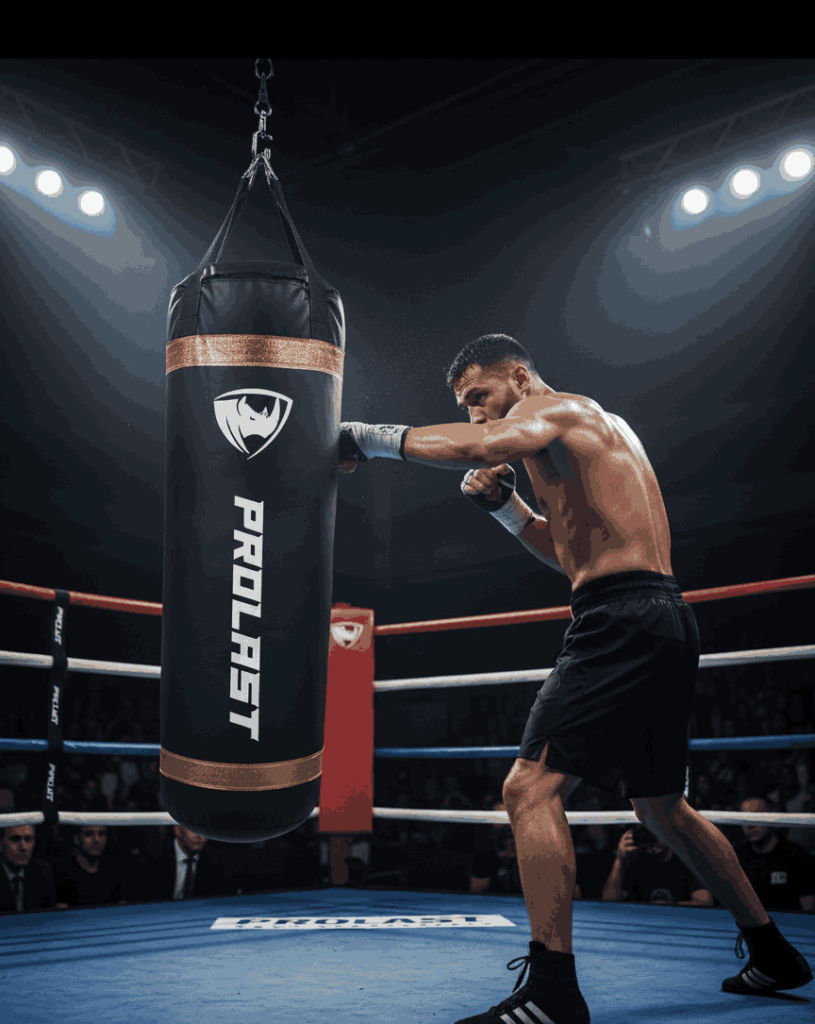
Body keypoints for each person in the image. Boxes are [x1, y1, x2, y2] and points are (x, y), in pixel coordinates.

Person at [338, 333, 813, 1022]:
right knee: (660, 809)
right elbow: (573, 557)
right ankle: (771, 952)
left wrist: (365, 436)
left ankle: (553, 992)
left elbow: (479, 448)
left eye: (480, 396)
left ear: (520, 378)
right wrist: (506, 512)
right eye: (464, 404)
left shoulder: (562, 410)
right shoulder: (572, 440)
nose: (475, 414)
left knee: (527, 789)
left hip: (620, 620)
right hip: (654, 615)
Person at [601, 824, 714, 907]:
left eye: (655, 836)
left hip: (678, 919)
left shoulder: (685, 858)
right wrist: (619, 858)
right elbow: (609, 899)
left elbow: (705, 902)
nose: (651, 846)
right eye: (647, 837)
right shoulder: (637, 858)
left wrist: (670, 905)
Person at [734, 797, 815, 912]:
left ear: (772, 817)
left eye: (756, 816)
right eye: (743, 818)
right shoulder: (736, 858)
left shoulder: (797, 857)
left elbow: (809, 910)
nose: (750, 825)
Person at [55, 825, 128, 908]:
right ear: (76, 839)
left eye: (101, 834)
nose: (96, 839)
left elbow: (121, 906)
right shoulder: (62, 873)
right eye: (89, 834)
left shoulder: (113, 870)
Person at [0, 825, 56, 913]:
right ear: (0, 843)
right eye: (15, 839)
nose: (23, 847)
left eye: (28, 839)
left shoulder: (43, 870)